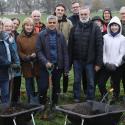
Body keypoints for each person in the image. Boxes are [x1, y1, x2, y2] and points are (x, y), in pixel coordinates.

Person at [68, 7, 103, 102]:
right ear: (79, 15)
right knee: (76, 81)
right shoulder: (74, 28)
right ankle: (76, 97)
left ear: (89, 14)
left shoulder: (95, 28)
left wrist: (98, 63)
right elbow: (70, 47)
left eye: (85, 14)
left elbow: (99, 46)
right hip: (77, 60)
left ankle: (90, 98)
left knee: (91, 82)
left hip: (90, 61)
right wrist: (69, 63)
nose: (83, 16)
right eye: (81, 14)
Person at [36, 15, 69, 106]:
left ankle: (54, 104)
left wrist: (66, 68)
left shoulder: (60, 35)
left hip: (57, 66)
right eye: (50, 23)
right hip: (45, 66)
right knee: (43, 86)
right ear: (47, 23)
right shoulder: (41, 35)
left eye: (54, 22)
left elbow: (65, 53)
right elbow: (38, 51)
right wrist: (45, 62)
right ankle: (42, 104)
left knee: (56, 87)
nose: (52, 24)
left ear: (57, 23)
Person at [98, 16, 125, 102]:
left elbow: (122, 53)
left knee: (115, 84)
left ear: (119, 27)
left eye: (116, 25)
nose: (114, 27)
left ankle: (115, 96)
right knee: (101, 83)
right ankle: (104, 96)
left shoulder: (123, 39)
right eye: (112, 25)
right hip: (106, 65)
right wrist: (105, 62)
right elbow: (103, 51)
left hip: (117, 66)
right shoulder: (105, 37)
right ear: (109, 26)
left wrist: (116, 64)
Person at [17, 17, 40, 103]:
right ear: (24, 26)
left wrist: (36, 54)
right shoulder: (19, 37)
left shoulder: (37, 35)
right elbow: (19, 52)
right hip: (26, 63)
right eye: (27, 25)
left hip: (37, 62)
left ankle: (40, 98)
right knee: (29, 82)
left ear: (33, 26)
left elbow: (41, 47)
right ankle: (31, 100)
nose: (29, 27)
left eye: (31, 25)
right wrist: (27, 57)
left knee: (39, 81)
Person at [68, 1, 87, 96]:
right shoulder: (70, 19)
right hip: (76, 51)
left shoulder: (86, 17)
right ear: (72, 9)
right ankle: (76, 94)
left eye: (77, 7)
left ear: (80, 7)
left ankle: (86, 91)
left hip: (86, 53)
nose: (75, 8)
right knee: (77, 77)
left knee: (86, 75)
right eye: (74, 7)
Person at [53, 3, 72, 95]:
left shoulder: (68, 22)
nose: (60, 11)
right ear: (55, 10)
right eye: (58, 10)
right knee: (55, 72)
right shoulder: (51, 21)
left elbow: (71, 36)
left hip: (65, 51)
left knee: (66, 72)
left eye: (62, 10)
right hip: (53, 51)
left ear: (64, 12)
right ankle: (56, 90)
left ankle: (64, 91)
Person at [0, 19, 19, 103]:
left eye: (0, 25)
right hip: (4, 67)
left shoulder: (5, 38)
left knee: (5, 93)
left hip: (5, 72)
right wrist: (10, 64)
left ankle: (4, 112)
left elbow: (12, 51)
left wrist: (16, 62)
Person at [11, 17, 21, 103]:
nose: (15, 25)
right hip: (7, 62)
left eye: (17, 24)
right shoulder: (4, 33)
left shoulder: (18, 35)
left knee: (17, 81)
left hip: (17, 62)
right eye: (14, 23)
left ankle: (16, 99)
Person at [119, 7, 125, 94]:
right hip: (119, 57)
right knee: (115, 79)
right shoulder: (117, 24)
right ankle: (115, 95)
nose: (124, 15)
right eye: (122, 13)